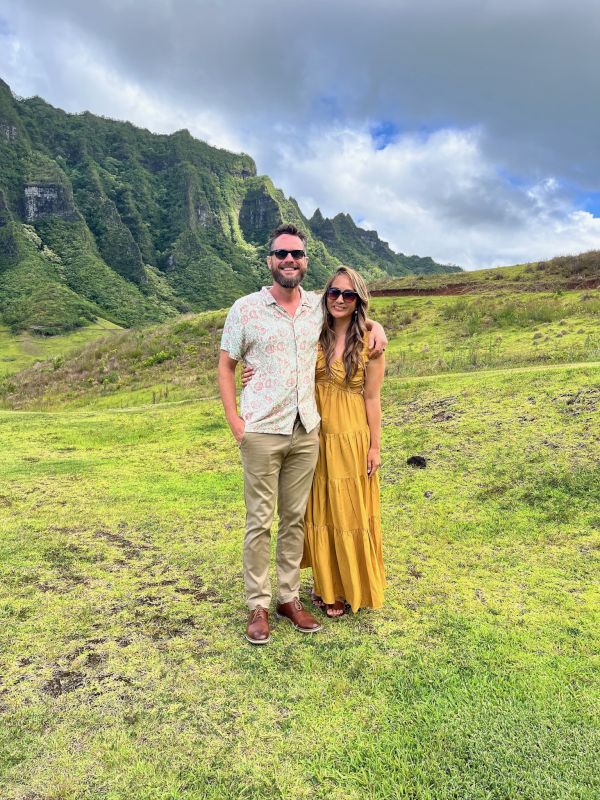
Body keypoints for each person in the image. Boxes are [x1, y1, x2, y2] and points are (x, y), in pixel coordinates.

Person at [218, 224, 387, 644]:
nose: (289, 260)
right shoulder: (245, 309)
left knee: (295, 519)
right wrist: (235, 420)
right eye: (281, 254)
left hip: (307, 430)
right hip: (262, 429)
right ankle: (258, 605)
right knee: (259, 521)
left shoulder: (316, 307)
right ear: (270, 260)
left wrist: (376, 324)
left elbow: (353, 317)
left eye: (296, 254)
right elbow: (227, 365)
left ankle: (289, 598)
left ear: (306, 261)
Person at [302, 267, 385, 617]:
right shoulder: (312, 331)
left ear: (358, 301)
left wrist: (375, 447)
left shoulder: (370, 343)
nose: (339, 299)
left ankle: (349, 587)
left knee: (348, 512)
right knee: (321, 510)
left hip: (351, 438)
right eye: (334, 292)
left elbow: (372, 398)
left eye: (348, 295)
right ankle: (326, 586)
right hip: (314, 436)